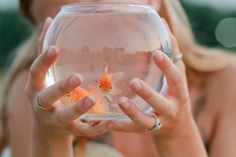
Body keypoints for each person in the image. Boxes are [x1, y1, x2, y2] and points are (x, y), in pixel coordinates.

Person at [0, 0, 236, 157]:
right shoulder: (39, 94)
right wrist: (50, 135)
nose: (99, 48)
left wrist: (178, 130)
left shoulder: (225, 83)